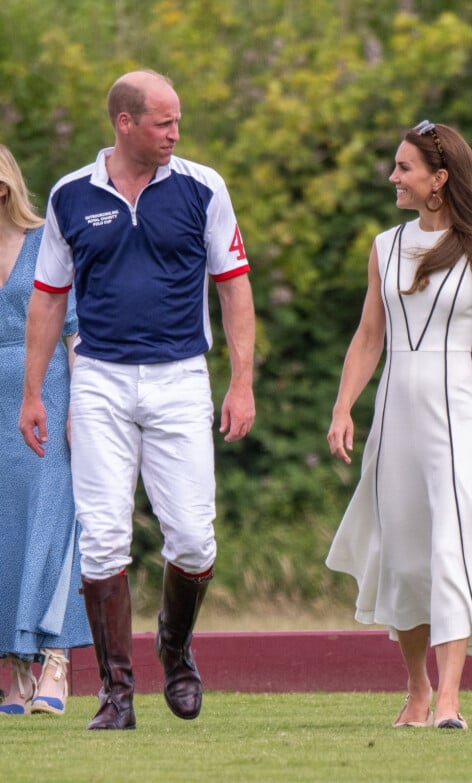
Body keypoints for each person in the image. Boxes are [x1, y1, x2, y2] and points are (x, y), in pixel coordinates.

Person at [19, 70, 256, 731]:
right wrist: (34, 392)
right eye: (162, 123)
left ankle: (174, 648)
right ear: (125, 123)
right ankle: (116, 693)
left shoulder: (203, 187)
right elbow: (47, 297)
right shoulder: (70, 197)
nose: (174, 134)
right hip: (98, 379)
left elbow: (235, 287)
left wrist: (242, 381)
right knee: (102, 540)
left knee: (193, 538)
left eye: (177, 121)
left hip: (180, 377)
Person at [326, 121, 472, 730]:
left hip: (454, 412)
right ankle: (417, 693)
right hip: (395, 414)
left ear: (438, 180)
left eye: (404, 168)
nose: (394, 177)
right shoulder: (385, 246)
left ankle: (449, 697)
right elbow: (369, 336)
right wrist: (343, 407)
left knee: (452, 545)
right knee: (405, 555)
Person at [0, 144, 91, 716]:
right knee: (4, 530)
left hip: (47, 393)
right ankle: (14, 671)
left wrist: (80, 405)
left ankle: (56, 661)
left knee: (55, 522)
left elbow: (76, 329)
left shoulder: (46, 243)